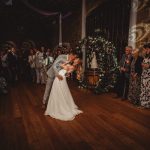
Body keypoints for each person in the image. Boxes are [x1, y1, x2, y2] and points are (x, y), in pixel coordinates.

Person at [140, 44, 150, 108]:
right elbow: (144, 66)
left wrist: (144, 65)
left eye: (147, 49)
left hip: (148, 77)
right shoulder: (146, 57)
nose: (146, 50)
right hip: (144, 75)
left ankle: (147, 104)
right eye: (146, 49)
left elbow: (147, 66)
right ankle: (143, 104)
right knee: (144, 90)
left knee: (148, 90)